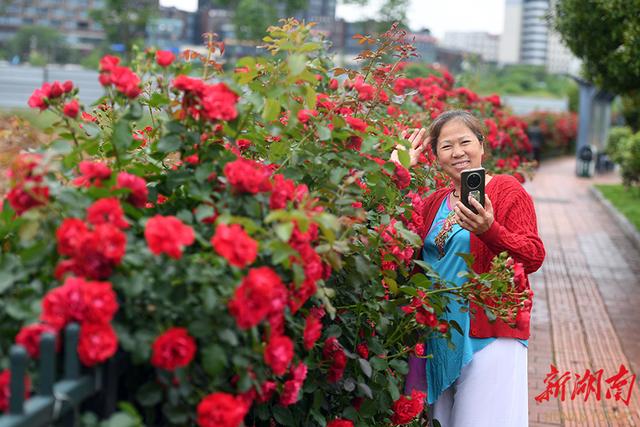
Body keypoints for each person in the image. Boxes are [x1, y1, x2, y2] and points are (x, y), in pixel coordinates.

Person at [391, 110, 545, 427]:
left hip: (489, 336)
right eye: (446, 146)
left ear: (481, 146)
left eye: (465, 142)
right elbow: (399, 245)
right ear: (435, 156)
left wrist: (490, 229)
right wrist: (397, 173)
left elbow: (533, 255)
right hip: (438, 338)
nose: (457, 152)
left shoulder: (507, 191)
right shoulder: (434, 202)